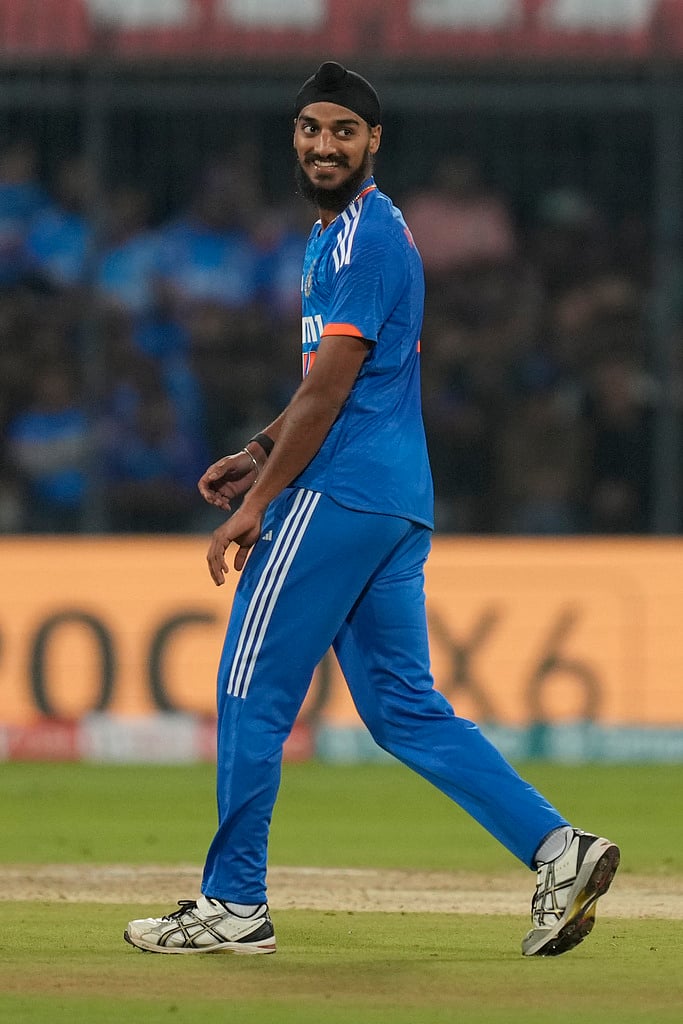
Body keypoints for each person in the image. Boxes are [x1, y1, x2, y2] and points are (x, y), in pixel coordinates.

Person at [124, 61, 619, 959]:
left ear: (373, 141)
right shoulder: (345, 234)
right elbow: (325, 381)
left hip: (337, 492)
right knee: (400, 708)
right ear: (295, 134)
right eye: (311, 128)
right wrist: (259, 449)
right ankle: (560, 850)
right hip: (389, 498)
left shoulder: (365, 240)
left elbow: (331, 390)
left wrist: (260, 499)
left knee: (248, 688)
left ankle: (233, 903)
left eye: (342, 131)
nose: (323, 144)